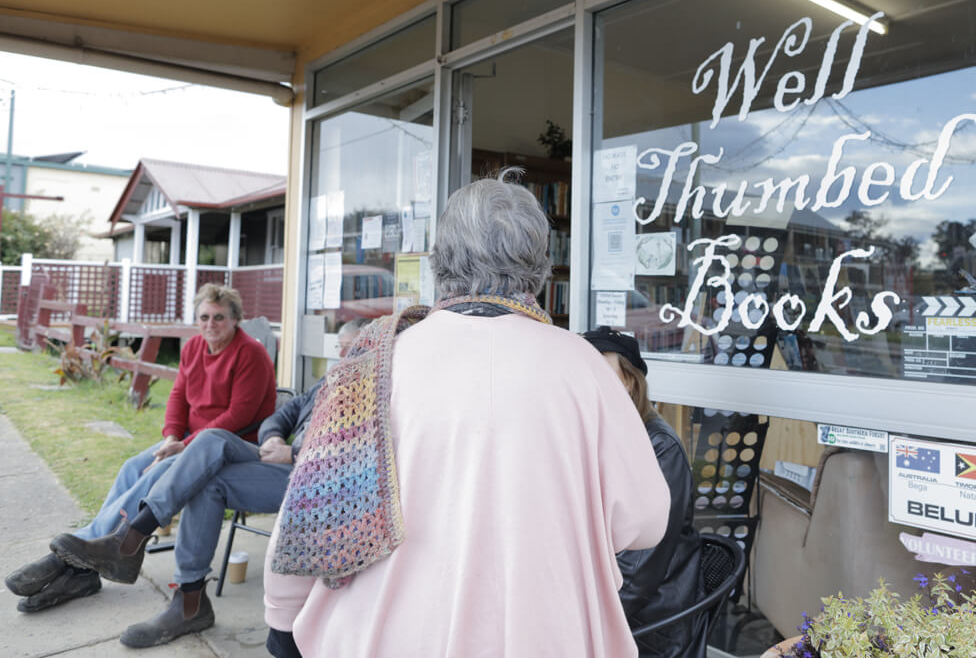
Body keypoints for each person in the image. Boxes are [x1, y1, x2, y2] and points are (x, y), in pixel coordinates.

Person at [262, 171, 671, 658]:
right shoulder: (586, 366)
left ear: (441, 261)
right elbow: (645, 520)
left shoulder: (374, 363)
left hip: (383, 635)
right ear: (540, 265)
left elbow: (311, 515)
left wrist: (281, 619)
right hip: (548, 635)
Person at [42, 317, 371, 648]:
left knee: (208, 480)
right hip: (278, 460)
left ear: (371, 348)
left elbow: (359, 445)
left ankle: (143, 556)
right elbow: (283, 414)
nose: (344, 356)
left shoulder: (374, 391)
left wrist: (294, 451)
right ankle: (172, 581)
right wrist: (272, 438)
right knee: (212, 439)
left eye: (352, 349)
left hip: (314, 477)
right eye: (341, 349)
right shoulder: (330, 381)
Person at [4, 284, 276, 613]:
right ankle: (85, 564)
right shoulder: (193, 348)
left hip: (231, 445)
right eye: (204, 317)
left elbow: (238, 416)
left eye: (219, 317)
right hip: (191, 437)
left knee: (157, 471)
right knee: (133, 466)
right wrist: (171, 437)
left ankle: (76, 558)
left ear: (236, 319)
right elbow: (178, 396)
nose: (210, 324)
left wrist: (184, 446)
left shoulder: (251, 354)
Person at [583, 326, 705, 658]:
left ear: (629, 381)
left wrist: (581, 625)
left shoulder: (659, 448)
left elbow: (638, 573)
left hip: (651, 625)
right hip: (613, 606)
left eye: (599, 369)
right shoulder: (598, 436)